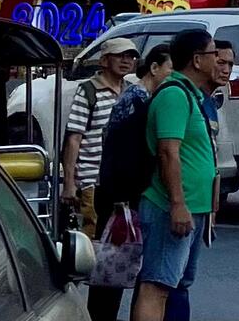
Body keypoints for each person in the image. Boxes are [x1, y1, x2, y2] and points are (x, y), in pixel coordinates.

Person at [132, 27, 219, 321]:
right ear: (197, 60)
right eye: (214, 53)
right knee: (156, 286)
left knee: (173, 284)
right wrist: (178, 204)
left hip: (192, 208)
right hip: (167, 206)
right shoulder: (173, 95)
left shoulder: (190, 95)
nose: (218, 60)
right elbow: (169, 152)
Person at [89, 46, 173, 321]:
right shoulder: (137, 99)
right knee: (114, 264)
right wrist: (123, 196)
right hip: (119, 195)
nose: (172, 76)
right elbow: (124, 151)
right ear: (155, 68)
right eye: (170, 69)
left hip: (120, 191)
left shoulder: (143, 97)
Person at [63, 38, 140, 236]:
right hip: (92, 181)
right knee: (93, 235)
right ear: (105, 61)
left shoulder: (131, 91)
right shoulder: (88, 91)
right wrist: (69, 183)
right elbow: (74, 138)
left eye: (130, 56)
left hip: (121, 182)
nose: (126, 60)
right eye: (120, 56)